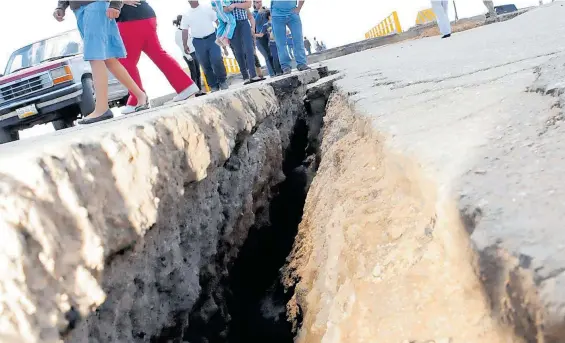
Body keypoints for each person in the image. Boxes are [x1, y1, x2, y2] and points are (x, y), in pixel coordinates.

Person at [53, 1, 149, 124]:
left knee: (95, 56)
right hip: (79, 9)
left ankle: (102, 108)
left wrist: (115, 4)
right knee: (108, 59)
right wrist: (61, 6)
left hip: (95, 5)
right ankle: (140, 95)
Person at [117, 1, 199, 114]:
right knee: (158, 54)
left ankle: (136, 99)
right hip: (147, 15)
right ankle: (186, 86)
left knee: (125, 61)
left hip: (130, 19)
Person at [181, 1, 228, 92]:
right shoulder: (186, 15)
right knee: (205, 64)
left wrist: (222, 35)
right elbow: (184, 30)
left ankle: (222, 81)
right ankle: (213, 85)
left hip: (212, 38)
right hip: (198, 42)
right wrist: (185, 44)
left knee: (216, 59)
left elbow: (217, 21)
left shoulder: (207, 8)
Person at [225, 0, 264, 84]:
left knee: (249, 48)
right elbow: (224, 9)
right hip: (232, 25)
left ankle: (253, 75)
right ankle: (245, 76)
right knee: (238, 52)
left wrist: (234, 5)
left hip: (244, 22)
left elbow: (248, 4)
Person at [270, 0, 309, 73]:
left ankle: (301, 64)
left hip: (292, 14)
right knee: (281, 43)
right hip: (277, 16)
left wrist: (299, 8)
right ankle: (285, 66)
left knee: (298, 39)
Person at [174, 15, 203, 94]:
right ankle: (195, 92)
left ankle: (199, 90)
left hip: (194, 53)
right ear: (180, 22)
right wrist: (188, 56)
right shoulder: (178, 33)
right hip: (188, 54)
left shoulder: (186, 32)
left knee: (198, 72)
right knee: (193, 72)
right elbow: (181, 46)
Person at [253, 0, 276, 77]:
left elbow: (271, 20)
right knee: (266, 55)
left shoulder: (266, 11)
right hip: (260, 38)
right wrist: (259, 13)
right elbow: (255, 24)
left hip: (269, 36)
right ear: (254, 3)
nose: (259, 3)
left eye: (260, 2)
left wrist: (268, 11)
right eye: (257, 2)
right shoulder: (253, 14)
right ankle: (272, 74)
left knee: (273, 54)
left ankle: (277, 71)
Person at [261, 10, 282, 75]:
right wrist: (253, 34)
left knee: (280, 56)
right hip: (272, 44)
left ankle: (283, 70)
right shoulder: (266, 25)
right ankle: (278, 72)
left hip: (279, 42)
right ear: (269, 16)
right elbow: (261, 34)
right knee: (275, 57)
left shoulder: (277, 23)